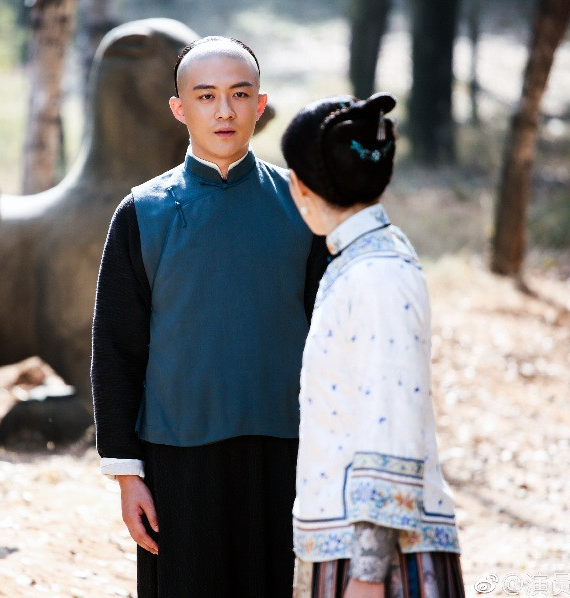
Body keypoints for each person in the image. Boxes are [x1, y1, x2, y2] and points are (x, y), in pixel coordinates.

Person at [91, 36, 328, 597]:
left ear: (260, 105)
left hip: (286, 449)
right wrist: (127, 476)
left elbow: (330, 335)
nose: (224, 111)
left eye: (239, 94)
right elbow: (116, 349)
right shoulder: (143, 212)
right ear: (179, 108)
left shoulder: (302, 206)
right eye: (206, 96)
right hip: (177, 457)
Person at [281, 92, 465, 597]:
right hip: (341, 539)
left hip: (381, 562)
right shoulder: (362, 259)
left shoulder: (377, 274)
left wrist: (366, 573)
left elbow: (390, 424)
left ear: (299, 187)